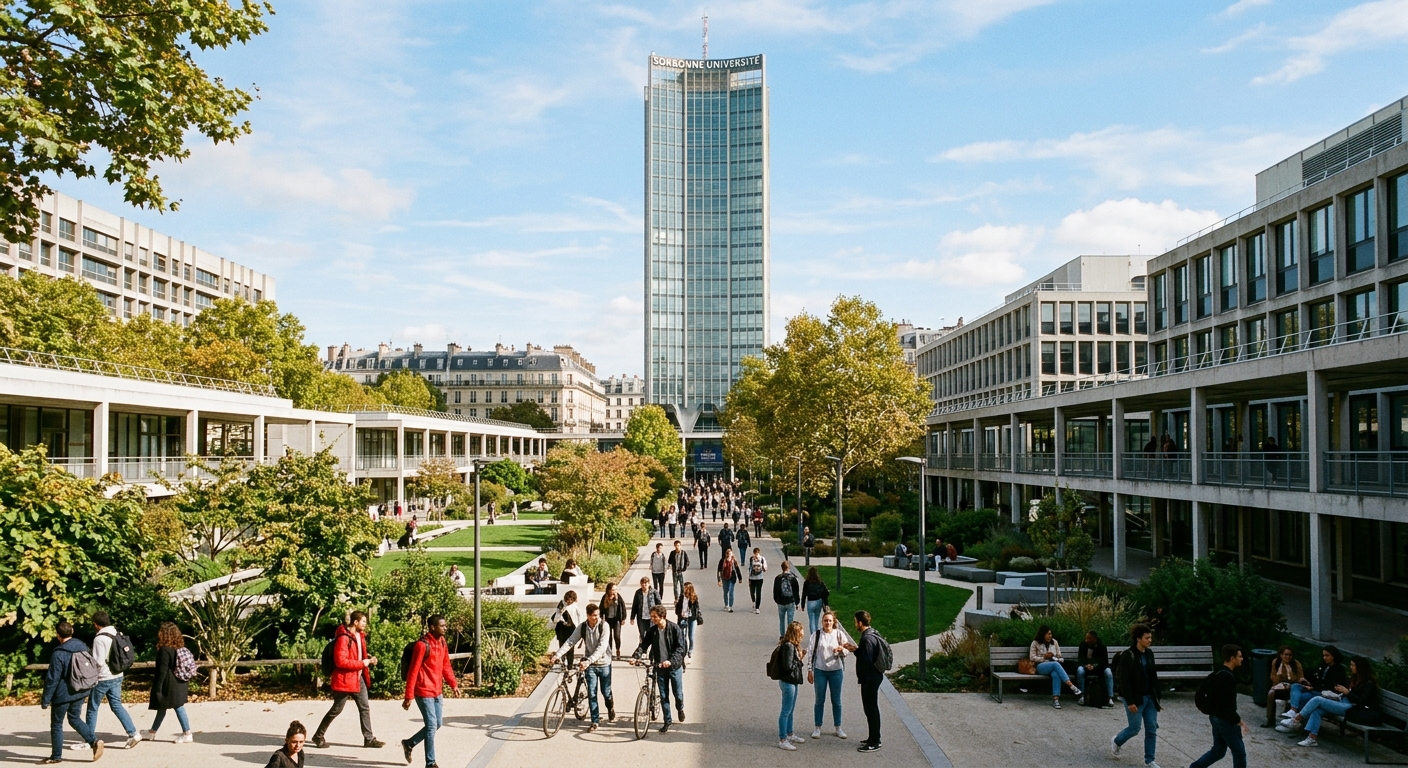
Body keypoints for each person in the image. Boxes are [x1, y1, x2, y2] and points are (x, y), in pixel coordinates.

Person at [312, 611, 383, 749]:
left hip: (357, 677)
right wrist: (364, 663)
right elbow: (341, 662)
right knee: (336, 709)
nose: (365, 624)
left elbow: (356, 655)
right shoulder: (343, 638)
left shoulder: (359, 636)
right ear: (355, 622)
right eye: (363, 622)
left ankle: (369, 739)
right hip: (344, 680)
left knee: (364, 708)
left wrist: (368, 659)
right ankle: (318, 736)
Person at [1278, 656, 1379, 748]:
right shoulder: (1355, 679)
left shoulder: (1368, 683)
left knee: (1318, 700)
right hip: (1342, 702)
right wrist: (1340, 693)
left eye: (1353, 665)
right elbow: (1348, 694)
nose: (1351, 667)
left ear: (1360, 667)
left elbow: (1361, 701)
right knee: (1317, 710)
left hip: (1353, 709)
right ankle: (1312, 739)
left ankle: (1295, 720)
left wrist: (1347, 692)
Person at [41, 620, 104, 764]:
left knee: (57, 724)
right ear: (72, 631)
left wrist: (46, 699)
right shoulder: (82, 646)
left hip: (62, 694)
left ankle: (56, 756)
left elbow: (52, 679)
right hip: (80, 690)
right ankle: (94, 741)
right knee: (74, 718)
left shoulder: (59, 653)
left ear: (58, 635)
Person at [400, 615, 460, 768]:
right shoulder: (422, 645)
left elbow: (446, 665)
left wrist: (453, 685)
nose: (445, 628)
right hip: (423, 691)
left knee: (437, 723)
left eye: (445, 625)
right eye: (442, 626)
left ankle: (409, 743)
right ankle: (430, 763)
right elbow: (413, 671)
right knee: (432, 725)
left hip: (437, 691)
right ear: (432, 627)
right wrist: (409, 696)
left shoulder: (442, 642)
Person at [550, 603, 614, 731]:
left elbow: (602, 647)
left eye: (597, 615)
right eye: (593, 616)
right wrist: (557, 655)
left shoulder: (604, 626)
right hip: (589, 665)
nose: (596, 618)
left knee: (605, 692)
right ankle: (595, 721)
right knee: (592, 693)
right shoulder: (583, 627)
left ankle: (610, 707)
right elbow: (570, 641)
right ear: (588, 615)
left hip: (604, 663)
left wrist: (588, 660)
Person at [84, 611, 140, 750]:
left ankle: (89, 739)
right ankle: (132, 733)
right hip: (118, 674)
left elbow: (98, 662)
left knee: (92, 708)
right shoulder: (116, 632)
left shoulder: (99, 639)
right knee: (116, 705)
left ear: (96, 624)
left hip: (103, 678)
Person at [1190, 645, 1248, 768]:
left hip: (1215, 717)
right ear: (1232, 658)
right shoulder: (1227, 677)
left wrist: (1205, 707)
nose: (1241, 659)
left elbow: (1202, 691)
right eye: (1240, 656)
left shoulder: (1218, 672)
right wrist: (1238, 721)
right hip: (1225, 720)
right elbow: (1227, 704)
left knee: (1218, 751)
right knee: (1239, 752)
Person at [1112, 625, 1162, 768]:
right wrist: (1130, 701)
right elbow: (1124, 680)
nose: (1150, 640)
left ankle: (1150, 760)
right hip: (1135, 698)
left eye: (1150, 637)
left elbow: (1153, 675)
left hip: (1150, 697)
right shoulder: (1128, 655)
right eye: (1147, 638)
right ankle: (1117, 741)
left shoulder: (1149, 653)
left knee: (1151, 728)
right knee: (1134, 728)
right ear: (1138, 639)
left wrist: (1157, 696)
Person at [632, 604, 686, 734]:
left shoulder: (674, 628)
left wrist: (670, 661)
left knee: (677, 694)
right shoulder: (652, 631)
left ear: (662, 616)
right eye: (651, 617)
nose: (652, 619)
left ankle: (680, 708)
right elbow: (643, 645)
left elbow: (680, 648)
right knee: (663, 696)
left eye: (654, 617)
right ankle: (667, 721)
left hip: (674, 667)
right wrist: (636, 657)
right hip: (659, 667)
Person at [142, 621, 193, 745]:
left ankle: (187, 733)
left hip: (169, 683)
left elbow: (162, 670)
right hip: (180, 681)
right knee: (163, 706)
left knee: (177, 706)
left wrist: (157, 687)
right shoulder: (179, 647)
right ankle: (152, 732)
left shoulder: (165, 650)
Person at [809, 609, 856, 740]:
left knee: (837, 701)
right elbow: (811, 654)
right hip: (820, 671)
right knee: (819, 700)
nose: (827, 623)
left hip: (836, 671)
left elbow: (847, 651)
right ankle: (817, 727)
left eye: (830, 620)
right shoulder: (816, 635)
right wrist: (809, 671)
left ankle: (838, 727)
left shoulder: (839, 634)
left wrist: (841, 650)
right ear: (822, 622)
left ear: (833, 622)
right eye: (825, 620)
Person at [1281, 645, 1347, 720]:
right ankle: (1293, 711)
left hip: (1323, 694)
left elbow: (1331, 686)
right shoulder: (1324, 666)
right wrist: (1307, 682)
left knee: (1300, 698)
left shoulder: (1339, 669)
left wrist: (1313, 688)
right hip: (1314, 689)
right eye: (1323, 655)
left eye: (1327, 655)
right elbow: (1317, 680)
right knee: (1295, 686)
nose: (1324, 658)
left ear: (1333, 656)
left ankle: (1295, 719)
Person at [772, 620, 807, 750]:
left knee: (791, 709)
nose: (803, 635)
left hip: (792, 681)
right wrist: (799, 660)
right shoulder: (788, 646)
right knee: (786, 710)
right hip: (788, 681)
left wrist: (799, 657)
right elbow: (788, 667)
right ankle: (782, 739)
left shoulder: (792, 645)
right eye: (801, 632)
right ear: (795, 633)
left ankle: (790, 733)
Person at [853, 611, 884, 753]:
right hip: (874, 677)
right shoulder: (872, 633)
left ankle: (874, 741)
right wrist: (855, 650)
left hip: (870, 679)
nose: (855, 624)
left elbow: (866, 660)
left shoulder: (866, 639)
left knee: (870, 709)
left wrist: (862, 676)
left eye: (855, 621)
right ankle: (873, 737)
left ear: (860, 622)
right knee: (871, 709)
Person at [1030, 625, 1081, 708]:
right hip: (1040, 666)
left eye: (1051, 634)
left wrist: (1053, 656)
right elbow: (1032, 657)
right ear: (1042, 634)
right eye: (1048, 634)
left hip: (1054, 664)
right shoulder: (1035, 643)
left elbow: (1059, 656)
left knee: (1055, 674)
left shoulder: (1054, 642)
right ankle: (1071, 685)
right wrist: (1044, 657)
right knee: (1055, 665)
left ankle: (1056, 699)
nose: (1050, 636)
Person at [1263, 645, 1304, 727]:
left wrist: (1290, 678)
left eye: (1290, 655)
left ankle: (1290, 719)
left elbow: (1300, 679)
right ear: (1281, 655)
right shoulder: (1276, 662)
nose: (1288, 657)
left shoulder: (1296, 664)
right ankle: (1270, 719)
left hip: (1293, 689)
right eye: (1286, 654)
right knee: (1271, 693)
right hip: (1280, 687)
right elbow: (1274, 678)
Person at [1077, 630, 1114, 709]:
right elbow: (1080, 659)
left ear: (1094, 639)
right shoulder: (1083, 645)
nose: (1086, 640)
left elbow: (1104, 662)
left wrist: (1094, 666)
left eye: (1089, 638)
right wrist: (1086, 665)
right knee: (1080, 670)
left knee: (1108, 672)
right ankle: (1082, 696)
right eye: (1086, 638)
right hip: (1086, 667)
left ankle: (1110, 698)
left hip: (1099, 668)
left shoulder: (1102, 646)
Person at [552, 590, 585, 667]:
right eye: (568, 600)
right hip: (562, 628)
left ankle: (570, 664)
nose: (569, 602)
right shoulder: (562, 604)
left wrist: (580, 628)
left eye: (571, 600)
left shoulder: (575, 606)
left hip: (571, 629)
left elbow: (579, 618)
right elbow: (556, 617)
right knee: (562, 645)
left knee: (570, 647)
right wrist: (561, 611)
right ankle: (563, 662)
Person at [774, 561, 802, 638]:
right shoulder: (793, 579)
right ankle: (790, 636)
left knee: (781, 620)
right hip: (790, 601)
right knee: (790, 619)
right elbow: (796, 591)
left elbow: (775, 590)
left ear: (782, 568)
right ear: (789, 568)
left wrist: (776, 600)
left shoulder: (778, 578)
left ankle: (782, 636)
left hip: (781, 601)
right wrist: (797, 602)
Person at [599, 583, 627, 659]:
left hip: (616, 619)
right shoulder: (605, 597)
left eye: (615, 589)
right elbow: (601, 608)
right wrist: (601, 617)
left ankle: (618, 649)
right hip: (608, 620)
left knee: (617, 636)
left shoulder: (618, 597)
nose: (614, 591)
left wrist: (623, 618)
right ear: (609, 590)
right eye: (613, 589)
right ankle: (609, 652)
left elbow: (623, 607)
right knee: (609, 637)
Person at [630, 576, 660, 644]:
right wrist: (632, 617)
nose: (644, 585)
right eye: (642, 583)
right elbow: (634, 605)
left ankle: (650, 650)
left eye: (645, 583)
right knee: (642, 634)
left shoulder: (654, 592)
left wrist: (660, 616)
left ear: (649, 584)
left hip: (651, 617)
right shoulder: (638, 593)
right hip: (641, 617)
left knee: (651, 634)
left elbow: (659, 604)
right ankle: (644, 649)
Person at [675, 582, 702, 657]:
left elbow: (697, 608)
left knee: (691, 635)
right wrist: (679, 613)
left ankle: (691, 650)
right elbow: (678, 607)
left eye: (686, 588)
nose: (684, 589)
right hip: (683, 618)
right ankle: (684, 649)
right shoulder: (682, 597)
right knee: (683, 635)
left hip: (692, 619)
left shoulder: (694, 597)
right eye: (684, 588)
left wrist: (695, 615)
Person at [801, 567, 830, 639]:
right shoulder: (820, 582)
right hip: (818, 601)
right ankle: (817, 636)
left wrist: (802, 604)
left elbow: (804, 594)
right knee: (816, 619)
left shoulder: (807, 582)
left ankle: (813, 637)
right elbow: (826, 592)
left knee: (811, 619)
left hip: (810, 601)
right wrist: (825, 603)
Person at [717, 547, 743, 612]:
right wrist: (719, 580)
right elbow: (719, 570)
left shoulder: (734, 561)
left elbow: (737, 569)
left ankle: (730, 606)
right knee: (726, 592)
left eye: (730, 554)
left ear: (732, 554)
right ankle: (726, 605)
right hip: (724, 578)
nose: (729, 555)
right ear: (726, 554)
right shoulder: (722, 560)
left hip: (732, 578)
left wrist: (740, 578)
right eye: (728, 554)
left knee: (731, 591)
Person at [748, 547, 768, 614]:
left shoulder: (761, 559)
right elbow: (750, 568)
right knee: (753, 592)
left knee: (757, 592)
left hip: (758, 578)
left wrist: (762, 565)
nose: (756, 555)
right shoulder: (753, 559)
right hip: (755, 578)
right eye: (755, 553)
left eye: (757, 553)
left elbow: (765, 569)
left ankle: (757, 607)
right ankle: (754, 603)